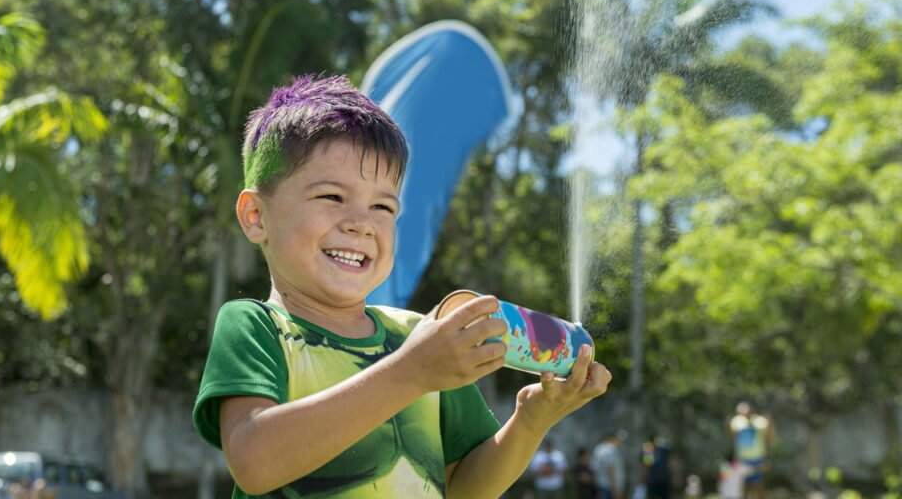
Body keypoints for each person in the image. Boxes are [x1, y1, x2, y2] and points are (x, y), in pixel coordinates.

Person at [191, 74, 613, 498]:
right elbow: (254, 462)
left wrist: (533, 417)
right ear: (256, 216)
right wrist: (412, 372)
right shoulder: (255, 326)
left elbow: (464, 488)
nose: (361, 223)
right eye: (332, 197)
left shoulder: (421, 337)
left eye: (382, 206)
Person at [729, 402, 774, 499]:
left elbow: (768, 439)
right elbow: (733, 438)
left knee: (759, 485)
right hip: (743, 459)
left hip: (757, 458)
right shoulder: (736, 422)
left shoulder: (760, 421)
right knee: (744, 487)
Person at [591, 431, 627, 499]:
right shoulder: (611, 449)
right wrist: (615, 490)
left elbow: (594, 468)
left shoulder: (598, 448)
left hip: (600, 485)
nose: (620, 442)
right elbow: (610, 469)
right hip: (610, 487)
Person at [639, 434, 672, 499]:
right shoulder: (647, 450)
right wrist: (643, 479)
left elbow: (670, 461)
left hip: (663, 479)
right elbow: (646, 466)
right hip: (652, 480)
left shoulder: (663, 449)